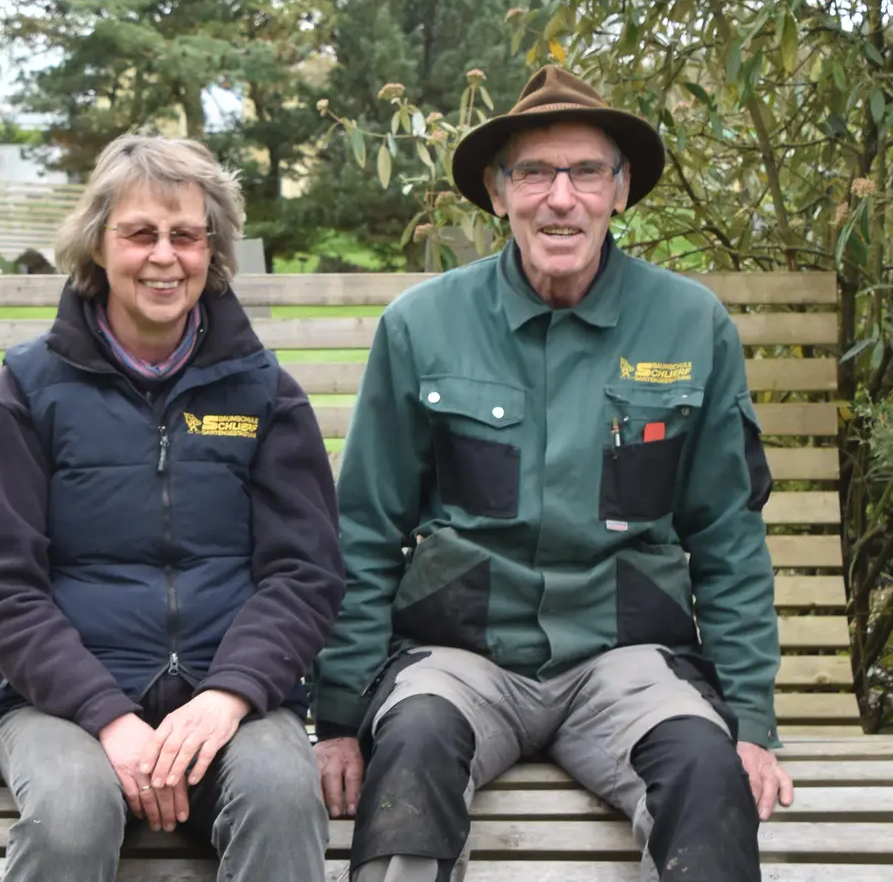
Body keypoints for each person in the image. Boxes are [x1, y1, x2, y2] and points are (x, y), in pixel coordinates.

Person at [309, 66, 793, 882]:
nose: (560, 197)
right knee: (409, 774)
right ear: (499, 194)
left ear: (621, 189)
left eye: (586, 172)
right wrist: (341, 716)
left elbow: (728, 533)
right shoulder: (421, 327)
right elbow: (364, 527)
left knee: (710, 783)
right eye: (534, 172)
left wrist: (749, 721)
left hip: (627, 659)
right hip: (459, 659)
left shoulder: (690, 326)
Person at [0, 133, 345, 881]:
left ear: (214, 251)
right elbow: (3, 587)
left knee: (285, 796)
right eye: (139, 234)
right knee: (70, 815)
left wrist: (229, 695)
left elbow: (305, 573)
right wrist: (108, 716)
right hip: (63, 705)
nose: (164, 256)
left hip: (233, 704)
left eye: (186, 236)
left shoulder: (264, 394)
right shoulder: (25, 394)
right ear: (97, 246)